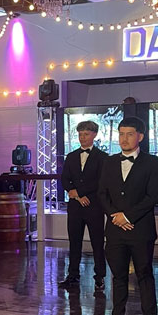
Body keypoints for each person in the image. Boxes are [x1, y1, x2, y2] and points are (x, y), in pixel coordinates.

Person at [97, 116, 158, 315]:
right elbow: (102, 194)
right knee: (118, 276)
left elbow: (152, 196)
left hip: (140, 229)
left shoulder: (153, 162)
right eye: (121, 134)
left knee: (144, 275)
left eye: (130, 134)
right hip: (115, 229)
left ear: (140, 137)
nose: (124, 139)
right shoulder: (109, 162)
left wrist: (127, 216)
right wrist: (115, 216)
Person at [59, 120, 108, 293]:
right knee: (74, 242)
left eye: (86, 134)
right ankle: (72, 275)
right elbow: (65, 178)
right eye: (80, 134)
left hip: (94, 206)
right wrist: (74, 193)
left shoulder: (103, 157)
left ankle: (100, 276)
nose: (82, 137)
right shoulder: (72, 156)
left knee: (97, 243)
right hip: (75, 207)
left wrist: (78, 192)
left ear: (94, 135)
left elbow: (101, 182)